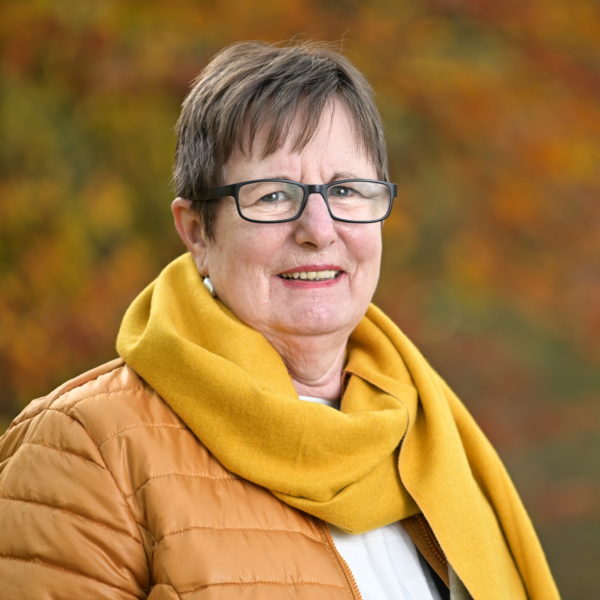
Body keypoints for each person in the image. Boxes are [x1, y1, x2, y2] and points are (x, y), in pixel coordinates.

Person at [0, 41, 558, 600]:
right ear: (196, 232)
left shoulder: (426, 439)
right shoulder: (86, 448)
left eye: (345, 190)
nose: (319, 229)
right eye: (272, 196)